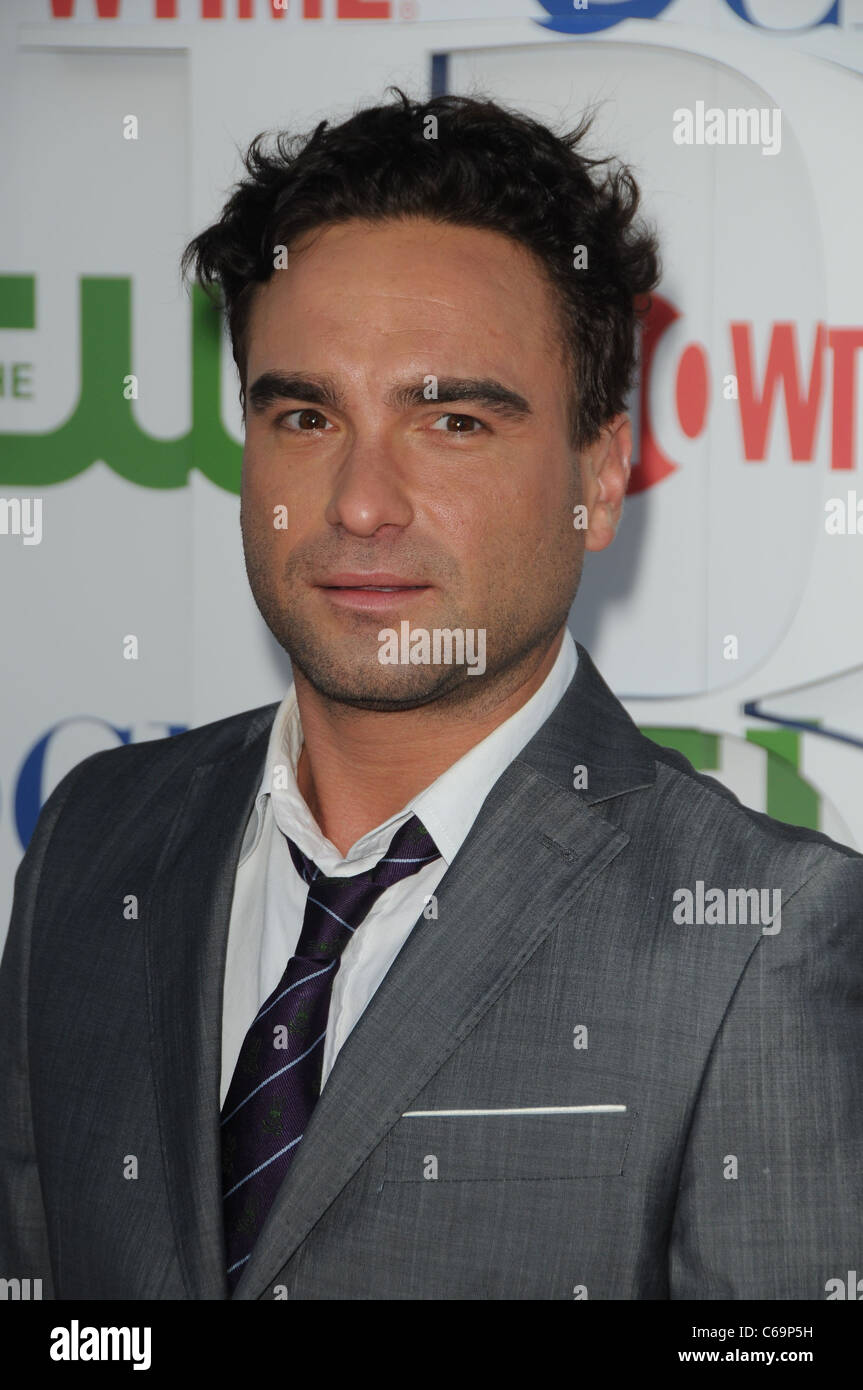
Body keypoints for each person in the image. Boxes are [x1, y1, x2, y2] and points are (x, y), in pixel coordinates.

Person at [1, 88, 861, 1302]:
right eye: (304, 413)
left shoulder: (757, 935)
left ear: (598, 478)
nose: (360, 502)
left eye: (451, 419)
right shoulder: (98, 837)